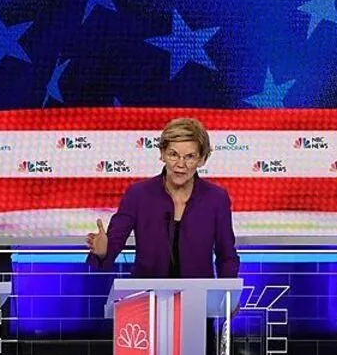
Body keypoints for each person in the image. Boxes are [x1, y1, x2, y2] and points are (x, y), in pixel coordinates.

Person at [86, 117, 239, 278]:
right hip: (146, 291)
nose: (181, 164)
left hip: (198, 292)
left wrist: (228, 292)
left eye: (190, 157)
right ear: (162, 154)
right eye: (173, 154)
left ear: (202, 159)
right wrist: (103, 252)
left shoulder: (216, 199)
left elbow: (227, 256)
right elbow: (114, 243)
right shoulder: (138, 195)